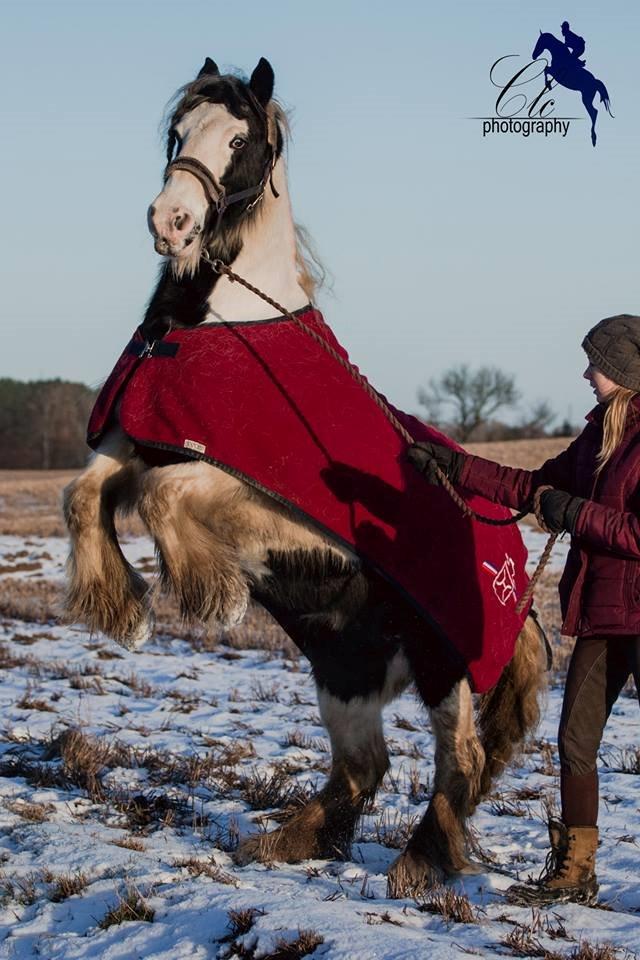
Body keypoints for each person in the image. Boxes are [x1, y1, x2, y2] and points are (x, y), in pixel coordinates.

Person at [407, 314, 640, 906]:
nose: (588, 373)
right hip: (603, 617)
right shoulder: (598, 438)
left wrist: (573, 513)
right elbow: (530, 486)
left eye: (597, 363)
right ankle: (575, 873)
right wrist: (457, 467)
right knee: (575, 745)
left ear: (623, 371)